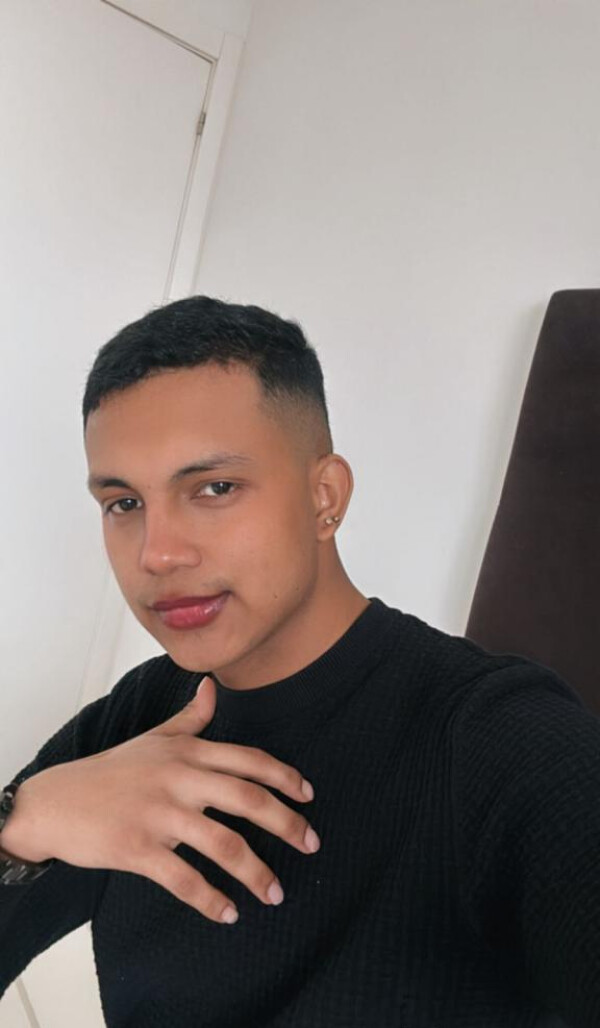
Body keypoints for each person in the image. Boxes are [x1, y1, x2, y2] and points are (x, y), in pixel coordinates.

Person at [0, 296, 598, 1028]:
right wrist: (24, 821)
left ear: (325, 496)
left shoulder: (507, 744)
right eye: (124, 503)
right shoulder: (141, 716)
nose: (158, 554)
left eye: (214, 488)